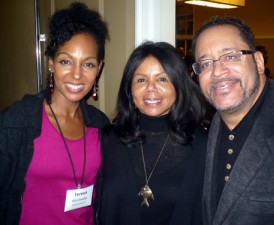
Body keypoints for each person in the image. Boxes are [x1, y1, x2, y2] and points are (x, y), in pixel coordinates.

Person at [0, 3, 109, 225]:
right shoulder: (16, 122)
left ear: (98, 69)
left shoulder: (101, 126)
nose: (76, 74)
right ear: (51, 63)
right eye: (66, 61)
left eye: (88, 64)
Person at [192, 16, 274, 225]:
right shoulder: (213, 125)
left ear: (258, 62)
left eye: (230, 56)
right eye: (205, 63)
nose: (217, 72)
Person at [99, 41, 207, 225]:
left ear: (179, 86)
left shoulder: (203, 145)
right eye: (141, 80)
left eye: (162, 79)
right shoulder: (108, 141)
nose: (151, 88)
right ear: (129, 89)